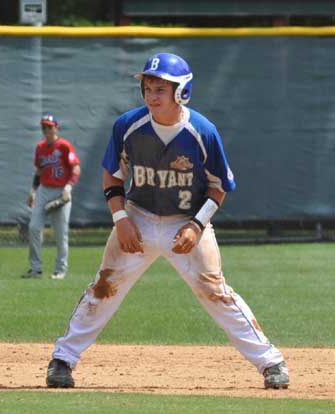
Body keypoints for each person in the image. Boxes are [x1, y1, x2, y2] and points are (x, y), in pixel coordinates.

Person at [46, 53, 289, 389]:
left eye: (161, 88)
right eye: (148, 87)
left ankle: (271, 362)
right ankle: (62, 360)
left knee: (215, 291)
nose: (152, 95)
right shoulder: (128, 126)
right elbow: (112, 177)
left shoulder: (202, 131)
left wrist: (197, 225)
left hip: (186, 223)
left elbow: (219, 188)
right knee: (104, 287)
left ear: (182, 92)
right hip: (138, 218)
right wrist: (120, 219)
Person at [23, 113, 81, 280]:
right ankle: (36, 269)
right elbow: (39, 171)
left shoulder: (64, 146)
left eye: (49, 126)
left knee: (60, 233)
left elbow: (76, 168)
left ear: (56, 127)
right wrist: (33, 191)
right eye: (44, 127)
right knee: (34, 227)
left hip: (61, 191)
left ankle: (60, 269)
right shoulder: (40, 147)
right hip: (44, 190)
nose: (46, 129)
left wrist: (68, 188)